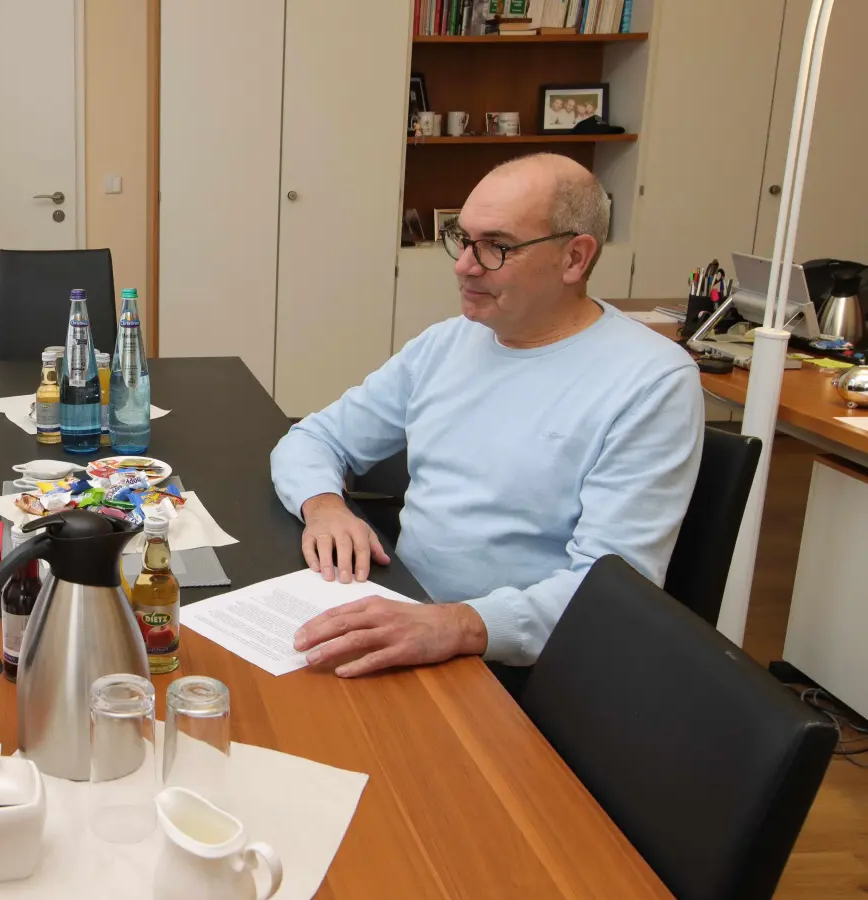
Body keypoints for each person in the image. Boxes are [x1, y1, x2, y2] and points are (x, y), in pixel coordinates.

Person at [270, 153, 702, 680]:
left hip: (519, 662)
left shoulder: (650, 381)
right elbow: (315, 438)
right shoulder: (449, 343)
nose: (463, 265)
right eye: (462, 238)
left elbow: (607, 589)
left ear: (574, 258)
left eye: (497, 247)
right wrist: (325, 508)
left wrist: (455, 626)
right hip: (402, 610)